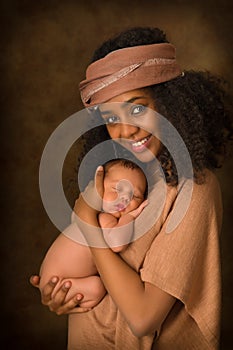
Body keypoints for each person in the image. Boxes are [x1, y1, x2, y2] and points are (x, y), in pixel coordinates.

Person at [30, 26, 233, 349]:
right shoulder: (126, 177)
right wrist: (62, 292)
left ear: (170, 102)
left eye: (138, 108)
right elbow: (89, 267)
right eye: (110, 119)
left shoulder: (195, 189)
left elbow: (143, 318)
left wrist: (85, 216)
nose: (125, 130)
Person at [38, 158, 148, 309]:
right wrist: (129, 217)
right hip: (59, 284)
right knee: (97, 287)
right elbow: (117, 244)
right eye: (117, 189)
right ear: (97, 188)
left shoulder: (80, 216)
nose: (125, 198)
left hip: (50, 278)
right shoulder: (103, 219)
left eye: (135, 196)